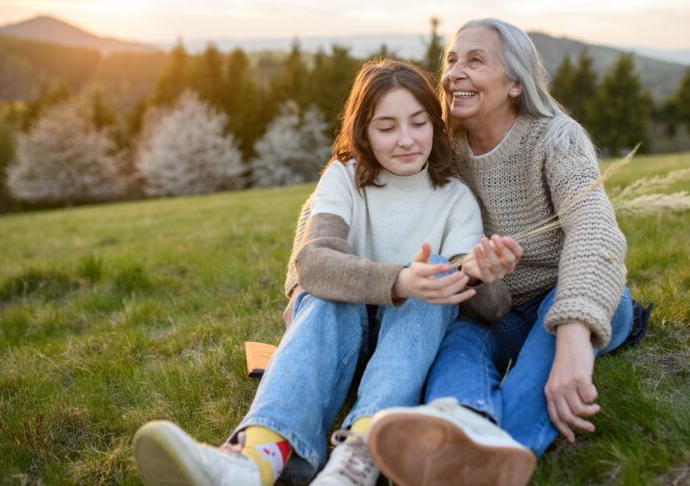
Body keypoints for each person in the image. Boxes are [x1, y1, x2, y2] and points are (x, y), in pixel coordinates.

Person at [132, 59, 518, 486]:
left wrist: (481, 276)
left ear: (435, 124)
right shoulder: (344, 177)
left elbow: (495, 307)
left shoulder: (454, 198)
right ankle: (255, 458)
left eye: (418, 123)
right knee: (330, 286)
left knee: (435, 278)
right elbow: (312, 262)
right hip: (336, 341)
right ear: (364, 133)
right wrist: (397, 281)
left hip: (410, 348)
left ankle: (357, 459)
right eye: (387, 127)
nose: (406, 140)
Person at [356, 18, 637, 486]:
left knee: (546, 343)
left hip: (573, 293)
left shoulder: (556, 138)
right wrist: (302, 280)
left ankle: (503, 446)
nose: (453, 73)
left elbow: (595, 230)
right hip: (494, 307)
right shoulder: (443, 147)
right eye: (451, 60)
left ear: (514, 83)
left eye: (475, 60)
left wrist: (574, 334)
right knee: (457, 344)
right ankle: (463, 419)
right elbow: (358, 169)